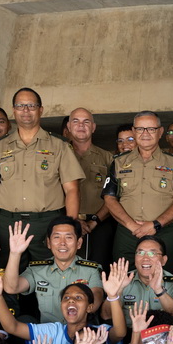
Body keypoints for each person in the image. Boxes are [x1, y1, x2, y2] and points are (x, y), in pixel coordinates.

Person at [0, 87, 85, 267]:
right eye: (20, 106)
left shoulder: (59, 145)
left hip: (47, 223)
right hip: (8, 224)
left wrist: (69, 230)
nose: (26, 111)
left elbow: (72, 189)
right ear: (14, 110)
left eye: (31, 105)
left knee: (49, 273)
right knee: (8, 276)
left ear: (41, 110)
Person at [103, 111, 173, 266]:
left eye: (151, 129)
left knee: (166, 281)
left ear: (160, 132)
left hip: (164, 232)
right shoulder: (118, 162)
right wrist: (132, 225)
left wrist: (155, 224)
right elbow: (109, 198)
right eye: (140, 129)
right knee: (125, 282)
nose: (145, 133)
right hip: (127, 234)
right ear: (134, 130)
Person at [1, 217, 105, 323]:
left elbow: (95, 300)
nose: (62, 243)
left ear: (79, 243)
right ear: (49, 243)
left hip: (82, 334)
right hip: (47, 335)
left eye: (68, 237)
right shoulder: (37, 270)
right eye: (57, 237)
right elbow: (11, 288)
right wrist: (15, 253)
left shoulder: (91, 270)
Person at [65, 107, 115, 270]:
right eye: (76, 121)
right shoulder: (58, 154)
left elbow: (114, 195)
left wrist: (94, 222)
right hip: (64, 222)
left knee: (98, 270)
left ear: (93, 127)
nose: (81, 125)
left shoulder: (107, 157)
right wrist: (72, 219)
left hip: (99, 223)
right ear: (69, 127)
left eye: (86, 122)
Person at [104, 238, 173, 327]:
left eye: (152, 253)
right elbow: (106, 315)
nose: (145, 258)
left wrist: (159, 290)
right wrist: (117, 291)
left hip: (161, 335)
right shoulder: (122, 279)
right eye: (140, 253)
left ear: (164, 260)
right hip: (129, 334)